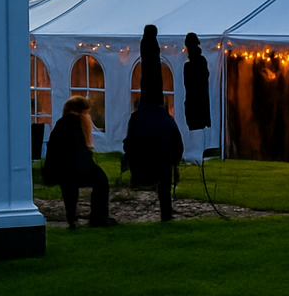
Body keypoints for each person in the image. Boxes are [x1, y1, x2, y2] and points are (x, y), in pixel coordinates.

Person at [124, 25, 184, 221]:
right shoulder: (161, 118)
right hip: (160, 153)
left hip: (149, 120)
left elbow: (128, 142)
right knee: (151, 79)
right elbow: (176, 141)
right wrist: (176, 159)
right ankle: (166, 213)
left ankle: (165, 211)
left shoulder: (140, 118)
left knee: (149, 79)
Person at [44, 97, 117, 228]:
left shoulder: (60, 126)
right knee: (101, 181)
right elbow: (80, 152)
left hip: (58, 169)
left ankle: (72, 218)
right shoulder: (76, 124)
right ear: (82, 112)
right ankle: (99, 216)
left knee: (69, 188)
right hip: (77, 166)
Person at [182, 31, 210, 131]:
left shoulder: (188, 66)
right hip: (202, 107)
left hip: (194, 108)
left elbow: (188, 87)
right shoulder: (202, 61)